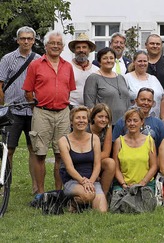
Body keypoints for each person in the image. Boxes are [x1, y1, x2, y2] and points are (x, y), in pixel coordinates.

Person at [23, 30, 75, 205]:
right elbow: (28, 91)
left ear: (62, 47)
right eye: (52, 43)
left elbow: (70, 89)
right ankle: (41, 192)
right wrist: (37, 107)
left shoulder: (67, 66)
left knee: (61, 154)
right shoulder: (36, 65)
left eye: (59, 43)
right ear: (45, 45)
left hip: (63, 113)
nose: (55, 46)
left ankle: (59, 192)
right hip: (42, 112)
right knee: (40, 154)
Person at [0, 26, 40, 194]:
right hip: (12, 110)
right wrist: (2, 107)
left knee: (34, 149)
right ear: (17, 40)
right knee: (8, 149)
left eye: (29, 39)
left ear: (33, 40)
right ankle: (5, 184)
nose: (26, 41)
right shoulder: (8, 59)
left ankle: (35, 186)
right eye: (23, 38)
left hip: (32, 111)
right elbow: (0, 85)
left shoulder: (39, 59)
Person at [58, 106, 108, 212]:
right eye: (78, 118)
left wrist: (91, 181)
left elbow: (97, 165)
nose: (81, 121)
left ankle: (79, 203)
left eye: (84, 118)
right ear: (71, 122)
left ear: (88, 121)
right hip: (73, 181)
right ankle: (71, 200)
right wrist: (83, 181)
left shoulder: (94, 139)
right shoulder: (63, 141)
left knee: (102, 212)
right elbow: (69, 167)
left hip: (91, 180)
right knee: (88, 195)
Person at [112, 108, 158, 190]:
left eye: (135, 120)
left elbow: (154, 166)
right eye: (129, 121)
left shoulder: (149, 141)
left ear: (142, 122)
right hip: (123, 185)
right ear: (125, 123)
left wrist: (142, 183)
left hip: (146, 184)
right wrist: (123, 184)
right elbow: (116, 168)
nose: (132, 123)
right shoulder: (118, 142)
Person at [84, 47, 130, 125]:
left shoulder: (121, 77)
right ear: (99, 61)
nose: (109, 61)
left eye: (111, 58)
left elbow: (126, 101)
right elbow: (89, 105)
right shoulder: (93, 78)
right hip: (104, 124)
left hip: (124, 123)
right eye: (105, 58)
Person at [124, 51, 164, 120]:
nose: (142, 63)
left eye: (145, 61)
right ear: (134, 62)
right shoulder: (126, 78)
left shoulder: (154, 78)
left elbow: (163, 99)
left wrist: (163, 119)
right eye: (139, 61)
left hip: (154, 121)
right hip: (133, 122)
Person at [88, 103, 116, 194]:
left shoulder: (107, 128)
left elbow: (106, 153)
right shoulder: (86, 129)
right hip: (83, 161)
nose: (103, 120)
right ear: (93, 117)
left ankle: (103, 194)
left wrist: (96, 164)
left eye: (106, 117)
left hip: (98, 160)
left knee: (110, 163)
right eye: (100, 117)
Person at [68, 33, 99, 108]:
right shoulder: (67, 67)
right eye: (78, 47)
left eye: (84, 47)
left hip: (91, 108)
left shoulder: (96, 70)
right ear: (74, 50)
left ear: (89, 50)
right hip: (71, 107)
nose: (81, 50)